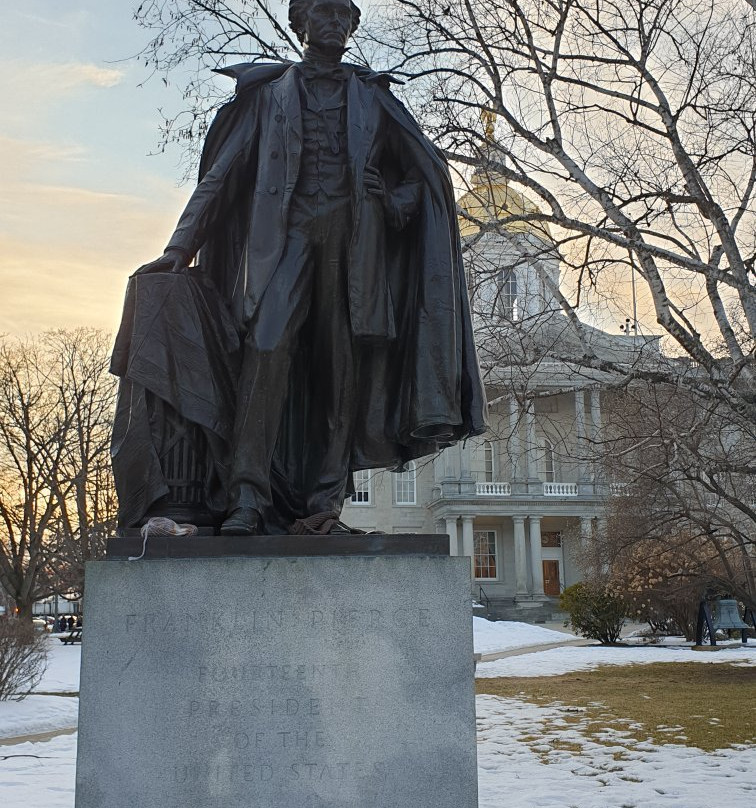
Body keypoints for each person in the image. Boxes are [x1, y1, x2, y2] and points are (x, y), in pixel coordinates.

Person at [111, 0, 486, 536]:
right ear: (300, 24)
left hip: (355, 250)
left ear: (352, 27)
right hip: (285, 243)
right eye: (322, 12)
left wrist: (395, 201)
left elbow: (428, 178)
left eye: (343, 14)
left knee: (339, 374)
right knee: (265, 348)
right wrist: (179, 248)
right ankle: (246, 495)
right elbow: (219, 179)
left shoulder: (374, 98)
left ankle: (324, 502)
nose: (333, 22)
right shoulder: (269, 97)